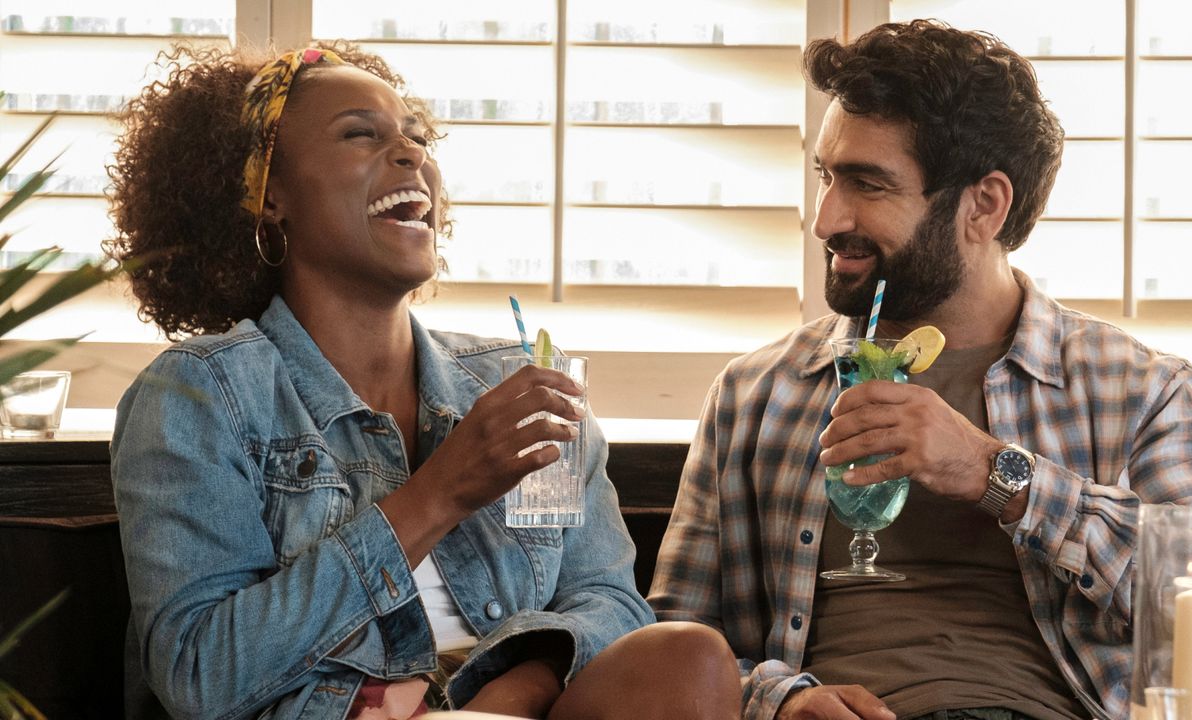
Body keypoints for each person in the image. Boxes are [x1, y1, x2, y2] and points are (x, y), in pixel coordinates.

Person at [104, 42, 738, 720]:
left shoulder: (516, 385)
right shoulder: (200, 396)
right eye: (361, 135)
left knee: (689, 658)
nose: (412, 156)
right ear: (269, 196)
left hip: (517, 710)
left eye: (415, 137)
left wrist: (505, 698)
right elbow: (201, 676)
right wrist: (439, 494)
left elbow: (611, 604)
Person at [647, 19, 1192, 720]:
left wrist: (997, 474)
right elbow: (669, 649)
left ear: (984, 206)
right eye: (826, 175)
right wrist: (778, 703)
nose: (825, 218)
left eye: (867, 184)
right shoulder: (756, 395)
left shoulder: (1138, 388)